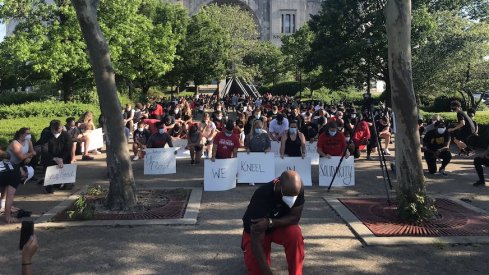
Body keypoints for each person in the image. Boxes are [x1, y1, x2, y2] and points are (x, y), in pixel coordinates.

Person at [241, 171, 305, 275]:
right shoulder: (262, 195)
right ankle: (245, 246)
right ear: (278, 184)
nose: (291, 200)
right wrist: (268, 272)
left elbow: (295, 218)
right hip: (257, 232)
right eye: (288, 195)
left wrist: (270, 222)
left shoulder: (297, 188)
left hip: (276, 225)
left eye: (294, 196)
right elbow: (256, 240)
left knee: (295, 233)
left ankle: (296, 272)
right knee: (257, 271)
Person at [37, 120, 73, 193]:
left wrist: (61, 158)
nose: (57, 132)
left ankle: (61, 183)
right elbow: (44, 149)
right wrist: (54, 158)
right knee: (49, 187)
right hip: (50, 157)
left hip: (63, 158)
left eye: (59, 130)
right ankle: (48, 184)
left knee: (67, 186)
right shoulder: (46, 135)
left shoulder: (66, 135)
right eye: (55, 130)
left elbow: (68, 149)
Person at [1, 146, 34, 223]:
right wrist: (8, 217)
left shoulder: (12, 164)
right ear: (25, 175)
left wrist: (1, 204)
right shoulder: (17, 176)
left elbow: (4, 186)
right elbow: (9, 197)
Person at [245, 120, 271, 186]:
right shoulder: (249, 136)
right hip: (253, 156)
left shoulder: (265, 135)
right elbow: (246, 146)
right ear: (254, 127)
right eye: (257, 127)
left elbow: (269, 146)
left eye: (260, 127)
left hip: (263, 156)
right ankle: (252, 179)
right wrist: (247, 149)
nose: (258, 128)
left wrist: (267, 149)